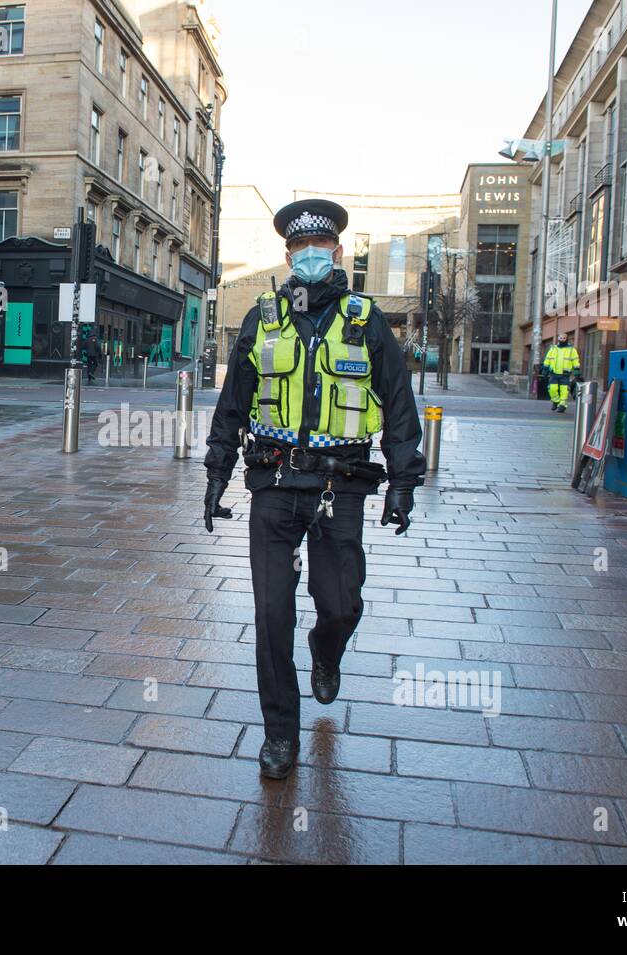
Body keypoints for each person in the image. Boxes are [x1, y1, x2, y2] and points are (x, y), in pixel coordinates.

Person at [203, 199, 426, 780]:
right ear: (287, 255)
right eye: (300, 249)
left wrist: (403, 481)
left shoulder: (365, 320)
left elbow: (399, 406)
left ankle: (326, 651)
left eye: (320, 248)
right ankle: (280, 735)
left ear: (338, 253)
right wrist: (215, 475)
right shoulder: (262, 317)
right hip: (275, 481)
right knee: (271, 614)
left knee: (340, 603)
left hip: (340, 484)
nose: (309, 257)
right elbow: (231, 406)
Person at [542, 332, 581, 413]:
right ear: (558, 338)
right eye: (561, 338)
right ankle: (556, 401)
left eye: (564, 338)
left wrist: (577, 369)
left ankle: (562, 405)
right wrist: (545, 368)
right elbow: (548, 358)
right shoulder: (553, 348)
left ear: (567, 339)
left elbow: (575, 359)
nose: (562, 339)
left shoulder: (571, 349)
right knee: (552, 389)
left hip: (565, 374)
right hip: (554, 373)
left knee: (564, 390)